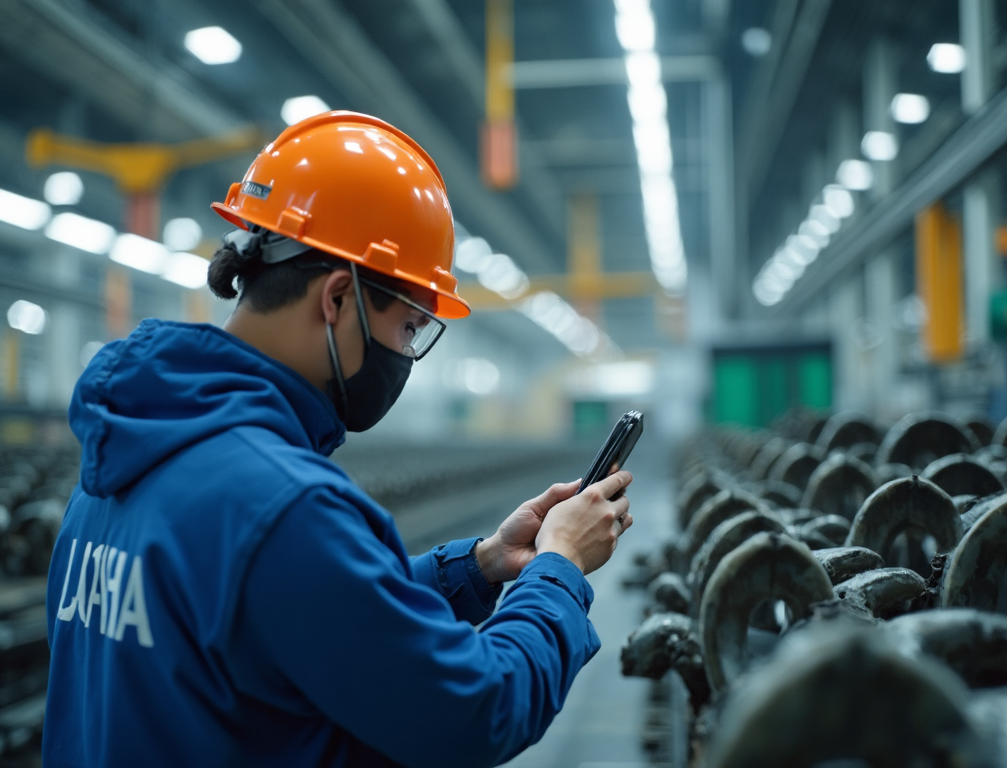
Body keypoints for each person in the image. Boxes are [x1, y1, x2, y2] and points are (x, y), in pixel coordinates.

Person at [42, 111, 634, 768]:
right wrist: (559, 569)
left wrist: (483, 564)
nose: (407, 351)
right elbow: (476, 710)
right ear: (337, 300)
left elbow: (288, 614)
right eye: (409, 328)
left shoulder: (117, 462)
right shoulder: (284, 506)